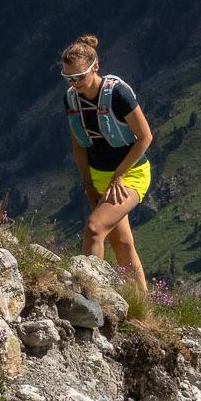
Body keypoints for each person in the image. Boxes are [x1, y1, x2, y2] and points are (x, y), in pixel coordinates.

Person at [60, 33, 153, 295]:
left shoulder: (117, 95)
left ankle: (91, 296)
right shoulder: (71, 98)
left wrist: (119, 176)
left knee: (93, 229)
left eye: (79, 77)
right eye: (68, 78)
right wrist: (88, 183)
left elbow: (145, 137)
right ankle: (142, 306)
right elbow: (79, 145)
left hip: (130, 174)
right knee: (122, 243)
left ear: (95, 67)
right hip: (99, 175)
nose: (74, 83)